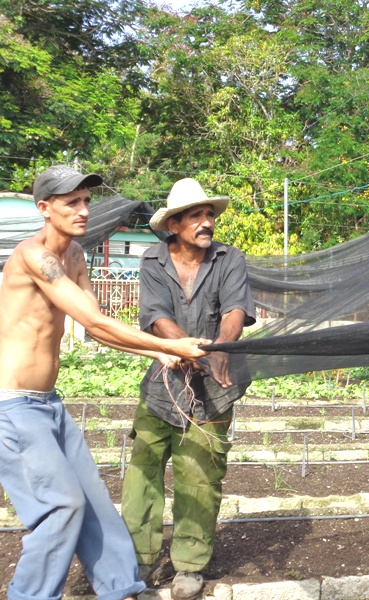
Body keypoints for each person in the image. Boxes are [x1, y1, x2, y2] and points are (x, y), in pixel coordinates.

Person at [0, 165, 211, 600]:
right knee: (61, 506)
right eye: (70, 202)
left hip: (48, 404)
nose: (82, 210)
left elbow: (97, 330)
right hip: (12, 405)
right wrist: (171, 346)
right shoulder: (32, 256)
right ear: (44, 208)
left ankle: (121, 589)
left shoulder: (74, 255)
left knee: (94, 503)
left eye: (86, 201)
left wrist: (155, 351)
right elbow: (93, 318)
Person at [121, 178, 256, 600]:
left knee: (200, 476)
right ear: (175, 224)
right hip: (163, 384)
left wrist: (220, 348)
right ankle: (139, 559)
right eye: (197, 215)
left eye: (210, 214)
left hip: (215, 388)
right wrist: (185, 347)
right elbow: (156, 315)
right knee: (142, 474)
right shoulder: (153, 260)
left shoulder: (229, 258)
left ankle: (190, 565)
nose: (207, 222)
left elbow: (236, 308)